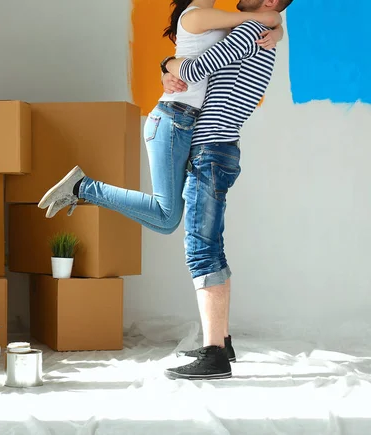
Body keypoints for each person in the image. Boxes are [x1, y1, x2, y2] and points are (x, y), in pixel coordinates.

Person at [37, 0, 282, 236]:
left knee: (167, 222)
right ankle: (83, 187)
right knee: (167, 217)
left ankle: (82, 187)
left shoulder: (221, 21)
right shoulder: (198, 15)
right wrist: (167, 64)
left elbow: (264, 18)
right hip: (173, 118)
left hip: (183, 120)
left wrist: (277, 29)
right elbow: (259, 19)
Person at [159, 0, 295, 380]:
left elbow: (197, 68)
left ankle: (215, 355)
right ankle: (223, 341)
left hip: (212, 150)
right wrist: (275, 23)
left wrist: (167, 66)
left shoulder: (253, 29)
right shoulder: (262, 27)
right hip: (219, 148)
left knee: (201, 251)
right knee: (210, 246)